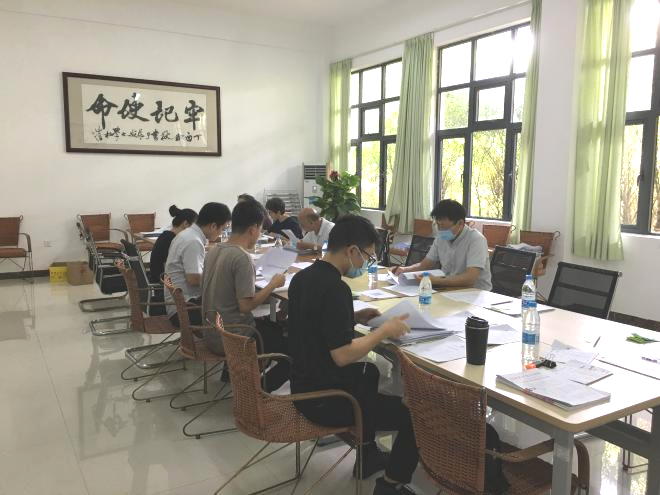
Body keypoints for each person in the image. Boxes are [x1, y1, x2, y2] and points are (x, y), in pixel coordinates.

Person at [288, 214, 419, 495]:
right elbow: (343, 356)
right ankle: (391, 485)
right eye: (368, 257)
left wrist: (353, 316)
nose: (367, 263)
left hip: (301, 387)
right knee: (413, 416)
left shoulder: (302, 277)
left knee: (369, 373)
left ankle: (367, 453)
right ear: (352, 251)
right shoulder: (336, 288)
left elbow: (313, 323)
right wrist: (384, 331)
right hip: (325, 400)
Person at [202, 199, 290, 392]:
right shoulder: (241, 258)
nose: (260, 234)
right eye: (260, 229)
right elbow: (245, 306)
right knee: (294, 352)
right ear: (253, 229)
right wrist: (273, 285)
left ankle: (232, 375)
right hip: (236, 337)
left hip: (211, 331)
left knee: (272, 324)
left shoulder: (214, 250)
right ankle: (259, 393)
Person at [393, 199, 492, 290]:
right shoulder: (441, 238)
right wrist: (405, 270)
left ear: (460, 223)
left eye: (444, 226)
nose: (440, 230)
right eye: (438, 225)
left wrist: (436, 281)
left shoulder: (476, 240)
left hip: (475, 293)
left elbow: (470, 278)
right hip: (449, 289)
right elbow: (425, 265)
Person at [165, 202, 231, 326]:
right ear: (213, 226)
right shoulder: (193, 241)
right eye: (223, 229)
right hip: (185, 309)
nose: (221, 233)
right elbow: (194, 279)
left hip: (179, 304)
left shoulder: (187, 234)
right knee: (233, 306)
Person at [149, 205, 198, 285]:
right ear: (185, 223)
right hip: (165, 285)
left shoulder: (166, 236)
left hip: (159, 279)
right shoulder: (173, 240)